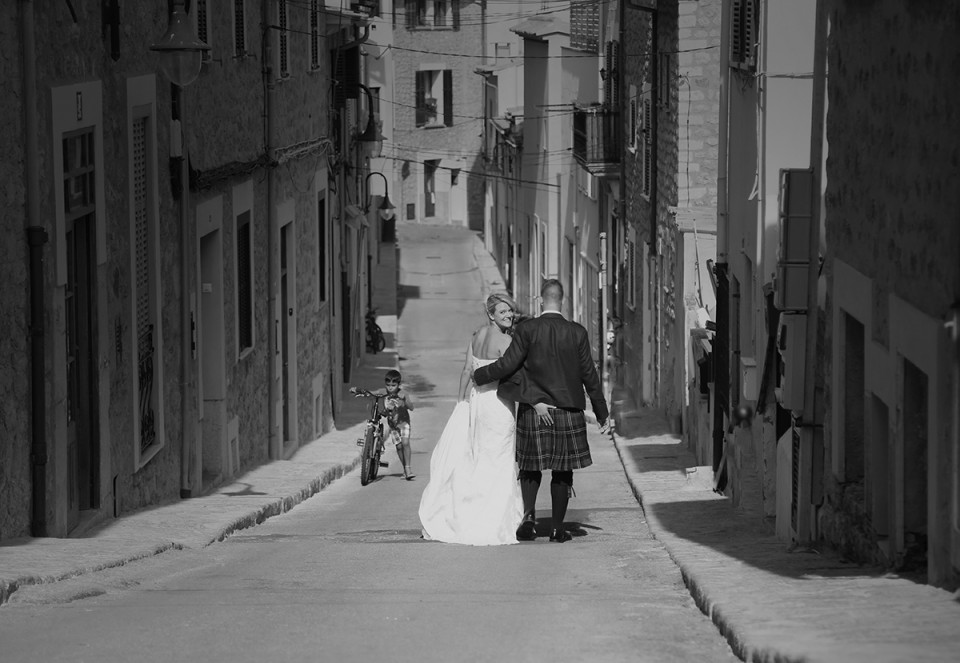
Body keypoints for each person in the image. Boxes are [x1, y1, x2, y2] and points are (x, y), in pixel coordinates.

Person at [472, 279, 610, 543]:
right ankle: (558, 529)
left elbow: (508, 365)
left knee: (530, 466)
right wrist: (602, 413)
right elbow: (590, 377)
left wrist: (480, 375)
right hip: (567, 409)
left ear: (540, 299)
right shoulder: (577, 332)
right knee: (562, 470)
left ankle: (528, 520)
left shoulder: (527, 330)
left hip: (533, 409)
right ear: (563, 300)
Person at [418, 293, 524, 545]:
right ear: (491, 314)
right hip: (498, 405)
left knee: (478, 457)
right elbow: (517, 374)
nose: (509, 315)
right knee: (498, 459)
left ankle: (468, 509)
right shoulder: (506, 342)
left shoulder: (476, 337)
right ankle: (492, 517)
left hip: (477, 403)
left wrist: (461, 401)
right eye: (503, 312)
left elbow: (467, 369)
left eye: (510, 311)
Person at [381, 369, 416, 480]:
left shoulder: (403, 393)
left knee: (405, 443)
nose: (390, 387)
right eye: (388, 385)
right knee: (399, 447)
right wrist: (387, 410)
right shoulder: (385, 396)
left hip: (404, 422)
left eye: (393, 385)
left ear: (398, 384)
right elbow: (384, 413)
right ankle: (405, 469)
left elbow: (411, 407)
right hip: (393, 426)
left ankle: (408, 468)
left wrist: (404, 400)